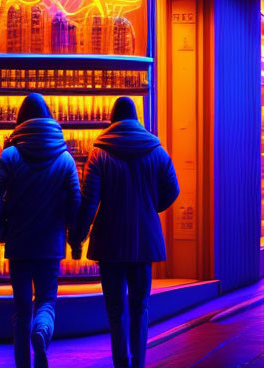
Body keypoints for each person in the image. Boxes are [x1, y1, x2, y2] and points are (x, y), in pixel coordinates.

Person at [72, 97, 179, 368]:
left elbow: (89, 202)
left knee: (115, 307)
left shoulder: (100, 153)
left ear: (113, 119)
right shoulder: (157, 151)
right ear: (136, 118)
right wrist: (151, 206)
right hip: (144, 240)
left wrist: (77, 237)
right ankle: (139, 361)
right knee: (140, 306)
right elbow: (172, 190)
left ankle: (120, 362)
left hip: (109, 241)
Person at [0, 93, 80, 368]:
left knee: (21, 311)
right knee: (47, 300)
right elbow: (75, 204)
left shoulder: (10, 155)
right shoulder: (65, 159)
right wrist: (73, 237)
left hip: (19, 246)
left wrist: (0, 231)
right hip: (50, 247)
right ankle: (42, 332)